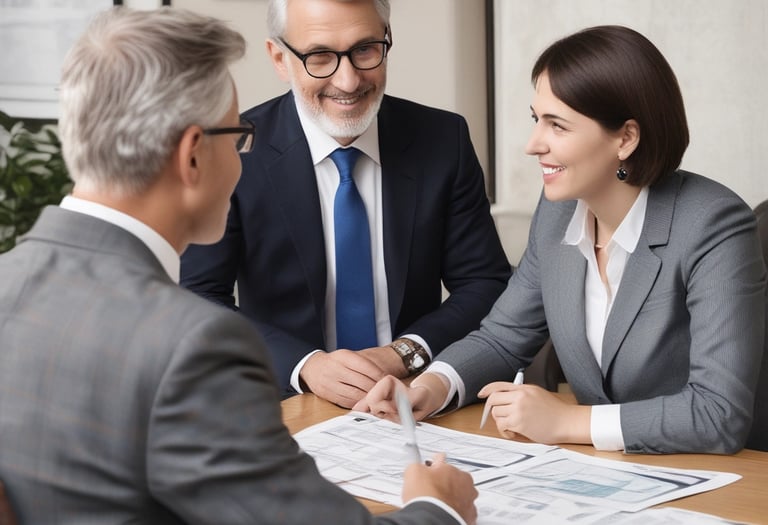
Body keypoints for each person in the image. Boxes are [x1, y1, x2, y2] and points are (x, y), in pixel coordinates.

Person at [0, 7, 478, 524]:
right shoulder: (194, 344)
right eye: (237, 136)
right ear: (192, 157)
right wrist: (437, 508)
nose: (244, 153)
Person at [355, 25, 767, 455]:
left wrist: (570, 420)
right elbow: (502, 337)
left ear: (626, 137)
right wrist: (430, 388)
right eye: (538, 119)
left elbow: (719, 414)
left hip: (715, 480)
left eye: (558, 126)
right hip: (598, 474)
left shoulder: (714, 224)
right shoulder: (560, 210)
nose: (534, 144)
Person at [179, 0, 511, 408]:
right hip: (284, 402)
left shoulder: (444, 139)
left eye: (365, 50)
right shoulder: (235, 151)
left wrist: (404, 353)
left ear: (387, 41)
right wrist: (305, 366)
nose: (349, 81)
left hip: (414, 397)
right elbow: (196, 297)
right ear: (280, 58)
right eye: (320, 56)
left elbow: (484, 284)